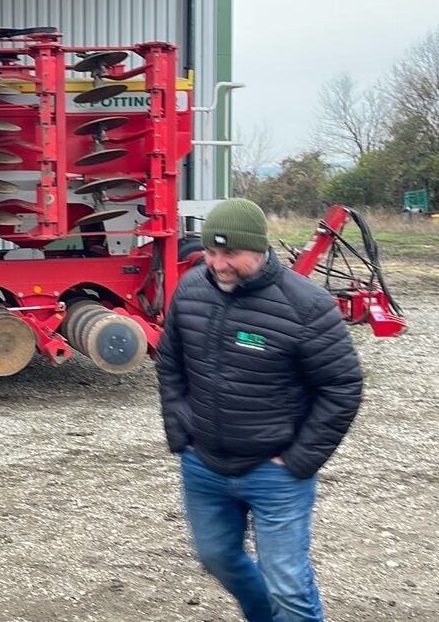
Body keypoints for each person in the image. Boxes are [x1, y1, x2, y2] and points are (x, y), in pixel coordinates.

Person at [156, 198, 364, 622]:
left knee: (286, 582)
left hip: (275, 473)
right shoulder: (191, 288)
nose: (218, 264)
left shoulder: (306, 305)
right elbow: (170, 362)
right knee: (217, 557)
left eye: (229, 253)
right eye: (211, 252)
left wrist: (299, 459)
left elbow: (342, 386)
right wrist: (182, 432)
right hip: (205, 465)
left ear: (259, 249)